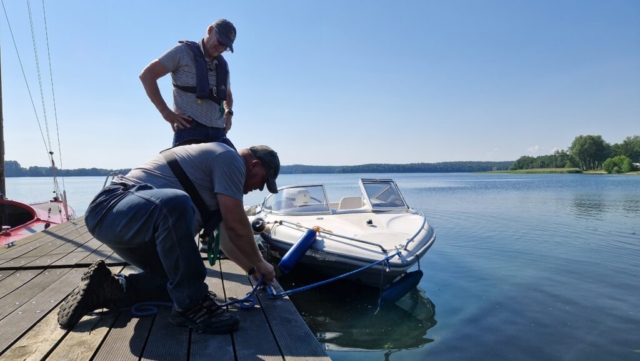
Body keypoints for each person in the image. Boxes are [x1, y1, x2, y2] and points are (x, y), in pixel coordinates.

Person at [57, 143, 280, 334]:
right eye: (263, 181)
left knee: (176, 282)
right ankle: (192, 307)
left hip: (131, 229)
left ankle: (110, 288)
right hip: (110, 208)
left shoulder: (219, 187)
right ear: (254, 165)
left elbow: (225, 239)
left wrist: (252, 270)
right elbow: (236, 224)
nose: (259, 188)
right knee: (176, 203)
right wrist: (261, 262)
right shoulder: (228, 157)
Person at [140, 19, 237, 148]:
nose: (221, 48)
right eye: (220, 42)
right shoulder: (182, 52)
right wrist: (166, 112)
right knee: (186, 169)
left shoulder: (223, 65)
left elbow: (228, 94)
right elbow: (147, 75)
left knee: (235, 165)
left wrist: (228, 113)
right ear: (210, 31)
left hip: (218, 133)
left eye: (226, 47)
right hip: (190, 130)